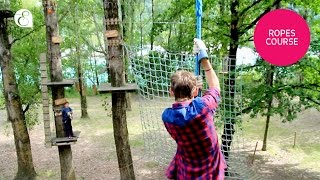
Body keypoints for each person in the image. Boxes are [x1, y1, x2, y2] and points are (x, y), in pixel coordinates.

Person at [162, 38, 227, 179]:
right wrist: (204, 57)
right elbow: (215, 87)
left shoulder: (167, 116)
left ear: (171, 91)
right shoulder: (203, 107)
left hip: (186, 173)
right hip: (211, 174)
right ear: (195, 91)